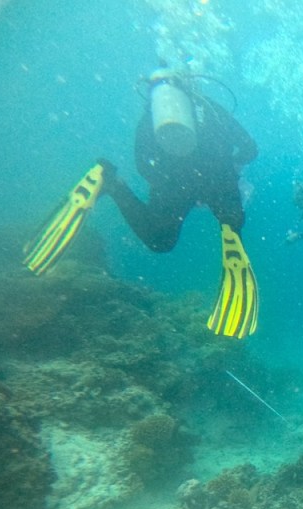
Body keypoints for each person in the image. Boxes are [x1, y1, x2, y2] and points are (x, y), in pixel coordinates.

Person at [102, 67, 259, 338]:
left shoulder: (152, 116)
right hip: (217, 178)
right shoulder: (211, 107)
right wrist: (232, 164)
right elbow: (250, 147)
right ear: (191, 85)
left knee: (160, 240)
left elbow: (143, 165)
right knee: (231, 222)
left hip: (174, 185)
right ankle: (231, 233)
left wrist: (166, 184)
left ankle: (111, 183)